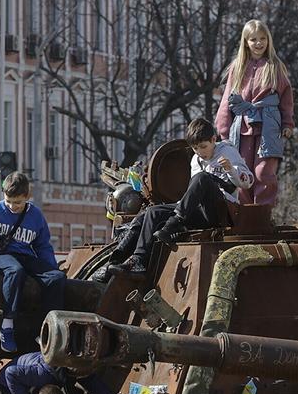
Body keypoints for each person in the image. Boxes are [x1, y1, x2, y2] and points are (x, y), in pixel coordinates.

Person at [102, 118, 254, 277]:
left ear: (213, 140)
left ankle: (174, 223)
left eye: (203, 147)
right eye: (195, 148)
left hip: (220, 211)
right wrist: (177, 207)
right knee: (153, 212)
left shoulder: (227, 151)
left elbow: (247, 182)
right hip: (198, 211)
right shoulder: (196, 160)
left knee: (202, 178)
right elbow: (193, 191)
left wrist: (231, 170)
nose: (200, 152)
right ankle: (135, 260)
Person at [0, 171, 64, 352]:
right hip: (3, 255)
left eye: (17, 202)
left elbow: (43, 246)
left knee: (57, 278)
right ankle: (7, 325)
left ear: (27, 197)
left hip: (26, 256)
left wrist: (50, 267)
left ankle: (43, 328)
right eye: (8, 201)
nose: (12, 206)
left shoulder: (36, 216)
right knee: (16, 271)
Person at [214, 19, 295, 206]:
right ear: (246, 42)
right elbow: (228, 99)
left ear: (268, 40)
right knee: (241, 172)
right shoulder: (238, 67)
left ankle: (263, 213)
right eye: (253, 39)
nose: (258, 43)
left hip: (268, 126)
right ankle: (246, 215)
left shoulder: (275, 66)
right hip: (242, 128)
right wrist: (223, 129)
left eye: (262, 38)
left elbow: (286, 98)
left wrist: (287, 124)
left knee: (263, 172)